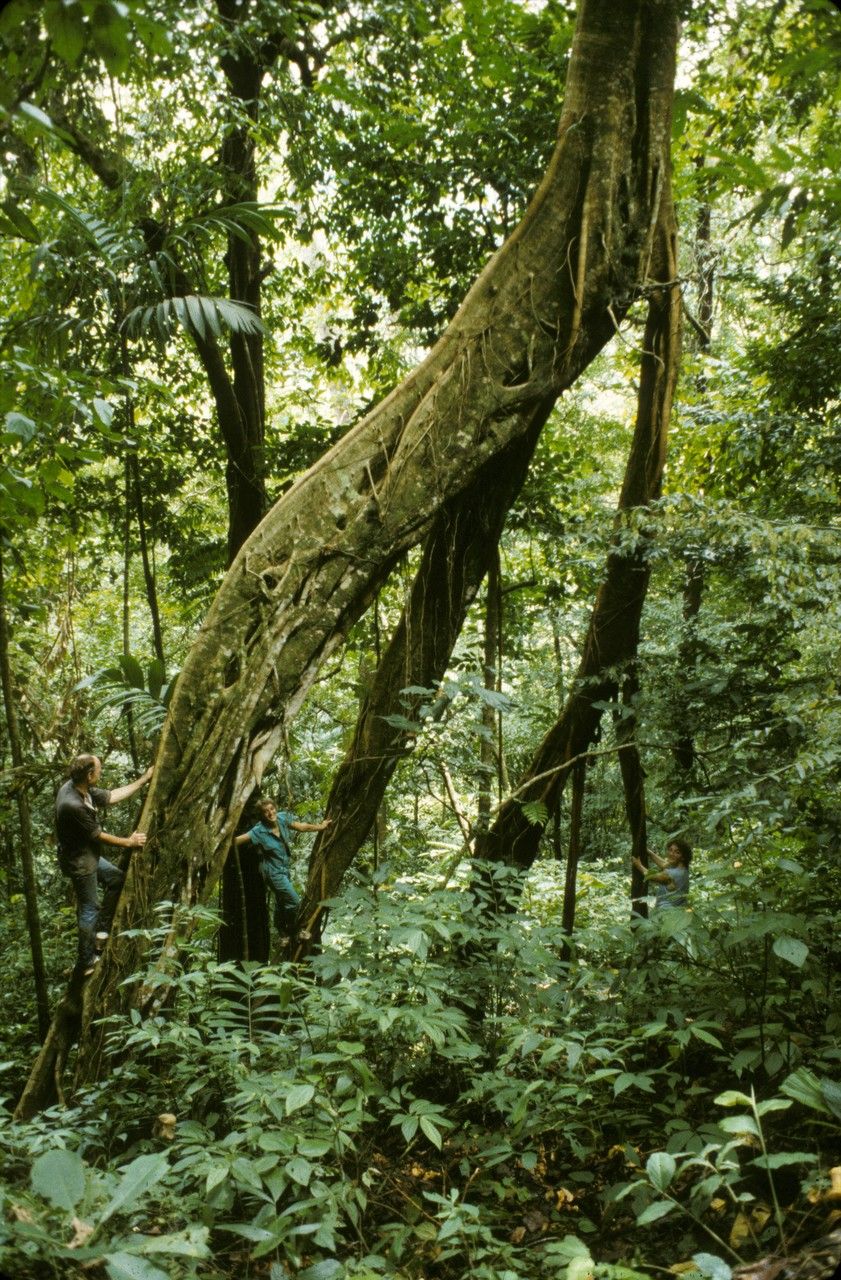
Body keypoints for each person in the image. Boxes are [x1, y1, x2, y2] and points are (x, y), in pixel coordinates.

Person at [56, 754, 153, 976]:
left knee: (116, 880)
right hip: (80, 862)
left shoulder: (80, 787)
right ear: (89, 775)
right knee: (89, 908)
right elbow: (98, 835)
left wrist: (143, 780)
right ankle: (86, 962)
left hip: (87, 854)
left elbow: (111, 796)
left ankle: (100, 933)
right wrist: (129, 842)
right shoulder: (72, 804)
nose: (101, 773)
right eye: (99, 770)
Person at [234, 798, 331, 945]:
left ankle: (282, 934)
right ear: (261, 815)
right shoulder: (259, 831)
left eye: (272, 809)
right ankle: (296, 931)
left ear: (275, 808)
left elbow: (302, 827)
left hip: (284, 869)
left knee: (281, 901)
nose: (270, 813)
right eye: (266, 812)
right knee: (293, 901)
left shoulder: (282, 818)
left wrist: (321, 827)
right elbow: (236, 841)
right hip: (272, 872)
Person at [633, 837, 692, 909]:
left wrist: (638, 865)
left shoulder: (673, 874)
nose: (671, 854)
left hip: (666, 913)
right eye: (670, 850)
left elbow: (651, 876)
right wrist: (649, 852)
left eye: (677, 852)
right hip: (679, 912)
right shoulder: (683, 869)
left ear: (683, 857)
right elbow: (664, 864)